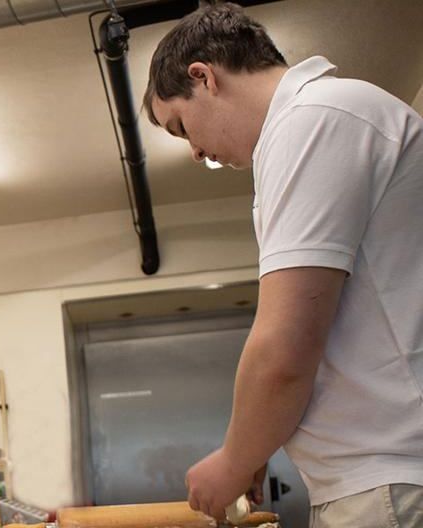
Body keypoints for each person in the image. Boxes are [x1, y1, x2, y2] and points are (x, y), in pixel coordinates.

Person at [143, 3, 423, 526]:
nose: (196, 151)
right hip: (377, 475)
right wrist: (255, 446)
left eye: (181, 126)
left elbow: (286, 347)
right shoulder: (315, 124)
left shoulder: (312, 121)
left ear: (203, 77)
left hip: (387, 479)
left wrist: (233, 459)